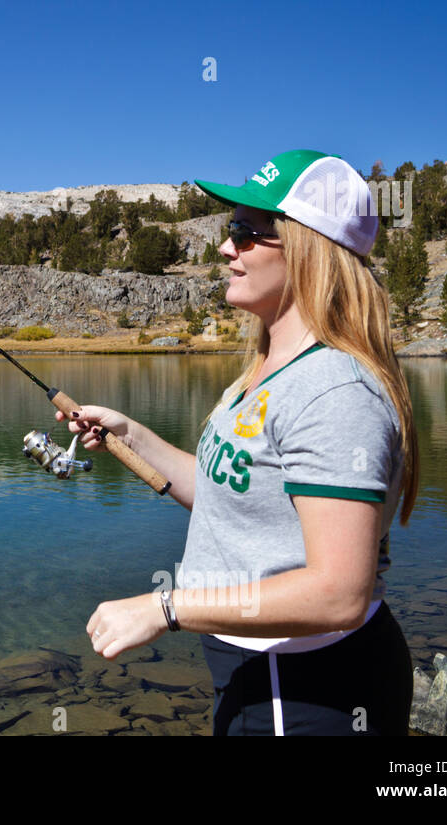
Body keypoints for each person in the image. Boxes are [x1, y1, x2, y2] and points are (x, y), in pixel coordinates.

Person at [58, 150, 419, 735]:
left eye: (248, 233)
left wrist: (164, 608)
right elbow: (234, 498)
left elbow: (338, 593)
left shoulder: (334, 390)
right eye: (232, 230)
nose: (226, 249)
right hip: (258, 676)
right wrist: (133, 436)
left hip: (310, 689)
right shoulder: (268, 368)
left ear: (309, 248)